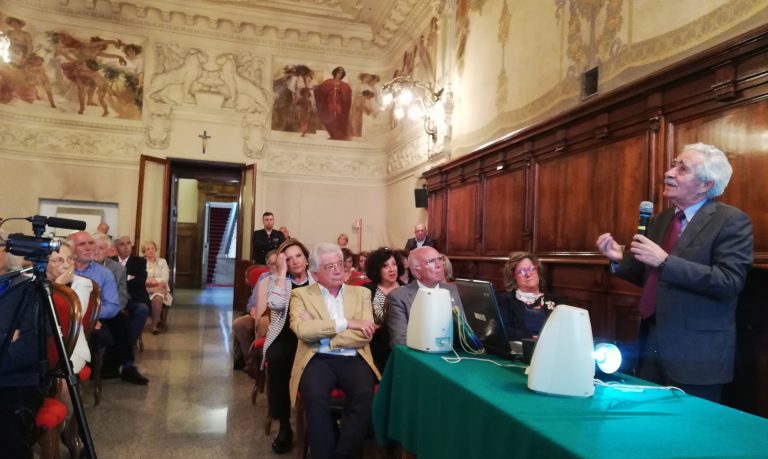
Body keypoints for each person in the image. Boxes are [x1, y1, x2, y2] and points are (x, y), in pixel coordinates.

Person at [596, 142, 753, 403]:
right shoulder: (662, 219)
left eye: (682, 169)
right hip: (651, 346)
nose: (669, 173)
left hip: (697, 357)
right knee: (646, 422)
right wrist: (619, 259)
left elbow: (728, 281)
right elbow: (652, 277)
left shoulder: (730, 221)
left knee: (691, 427)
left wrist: (665, 262)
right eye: (672, 165)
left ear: (706, 184)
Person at [289, 243, 379, 459]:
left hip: (354, 357)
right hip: (317, 359)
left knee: (364, 394)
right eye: (330, 266)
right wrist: (347, 323)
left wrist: (321, 331)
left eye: (340, 264)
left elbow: (365, 334)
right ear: (315, 274)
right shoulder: (301, 295)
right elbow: (302, 330)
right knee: (315, 396)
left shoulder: (362, 293)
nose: (338, 270)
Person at [68, 231, 148, 384]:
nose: (90, 248)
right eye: (82, 244)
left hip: (98, 314)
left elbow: (112, 304)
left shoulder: (105, 273)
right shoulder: (63, 268)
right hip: (68, 315)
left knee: (120, 320)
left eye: (91, 243)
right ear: (70, 249)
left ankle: (126, 366)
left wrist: (91, 317)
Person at [263, 238, 314, 454]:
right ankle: (284, 425)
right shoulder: (277, 280)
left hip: (312, 336)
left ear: (306, 258)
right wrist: (282, 273)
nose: (295, 261)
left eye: (299, 256)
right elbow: (275, 304)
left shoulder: (317, 280)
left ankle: (319, 423)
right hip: (284, 336)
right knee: (277, 359)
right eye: (289, 259)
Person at [386, 246, 464, 347]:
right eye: (431, 261)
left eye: (440, 259)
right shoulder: (399, 297)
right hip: (418, 353)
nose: (439, 265)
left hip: (453, 351)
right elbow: (400, 342)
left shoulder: (453, 290)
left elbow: (464, 331)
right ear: (417, 272)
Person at [496, 252, 560, 340]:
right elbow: (501, 330)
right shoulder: (504, 301)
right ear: (514, 278)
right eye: (521, 272)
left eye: (531, 269)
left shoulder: (558, 301)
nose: (528, 274)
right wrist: (530, 338)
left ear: (537, 271)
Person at [364, 247, 406, 372]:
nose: (392, 269)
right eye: (385, 266)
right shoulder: (367, 290)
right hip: (374, 343)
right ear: (377, 270)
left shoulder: (406, 290)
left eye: (394, 264)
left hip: (402, 343)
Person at [233, 250, 278, 360]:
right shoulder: (264, 277)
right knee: (239, 324)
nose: (276, 266)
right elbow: (252, 301)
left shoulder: (289, 277)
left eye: (278, 263)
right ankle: (251, 360)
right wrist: (252, 309)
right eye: (272, 264)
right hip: (259, 315)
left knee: (263, 324)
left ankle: (265, 360)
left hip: (276, 318)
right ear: (268, 266)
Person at [112, 235, 150, 346]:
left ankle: (127, 344)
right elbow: (108, 282)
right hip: (114, 298)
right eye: (122, 244)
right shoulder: (110, 261)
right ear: (116, 247)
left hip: (133, 298)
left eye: (128, 243)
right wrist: (127, 279)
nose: (126, 247)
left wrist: (119, 283)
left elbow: (139, 281)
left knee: (142, 309)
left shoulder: (140, 261)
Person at [141, 241, 173, 335]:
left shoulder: (162, 262)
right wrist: (148, 281)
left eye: (153, 248)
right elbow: (140, 278)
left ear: (155, 249)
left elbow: (165, 278)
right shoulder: (141, 262)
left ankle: (154, 325)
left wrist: (153, 280)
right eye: (148, 249)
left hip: (160, 288)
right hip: (145, 289)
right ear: (144, 252)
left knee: (158, 298)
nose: (151, 251)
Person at [314, 67, 352, 140]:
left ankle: (338, 136)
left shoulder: (344, 85)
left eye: (341, 73)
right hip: (330, 104)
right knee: (331, 119)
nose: (339, 75)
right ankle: (333, 135)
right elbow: (320, 90)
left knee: (338, 119)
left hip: (339, 105)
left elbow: (347, 95)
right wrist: (316, 88)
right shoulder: (328, 82)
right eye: (338, 73)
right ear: (335, 73)